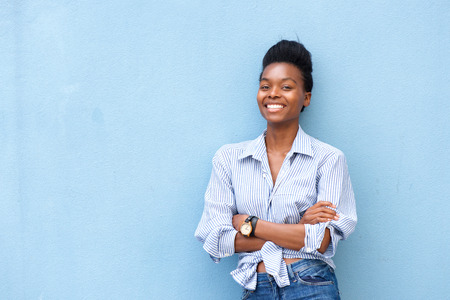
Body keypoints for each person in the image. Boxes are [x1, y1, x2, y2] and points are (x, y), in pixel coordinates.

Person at [195, 40, 357, 300]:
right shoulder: (228, 158)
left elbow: (321, 241)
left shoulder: (328, 159)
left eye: (286, 87)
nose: (272, 93)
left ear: (306, 97)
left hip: (311, 283)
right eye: (265, 86)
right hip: (256, 286)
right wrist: (298, 229)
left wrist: (249, 224)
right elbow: (215, 240)